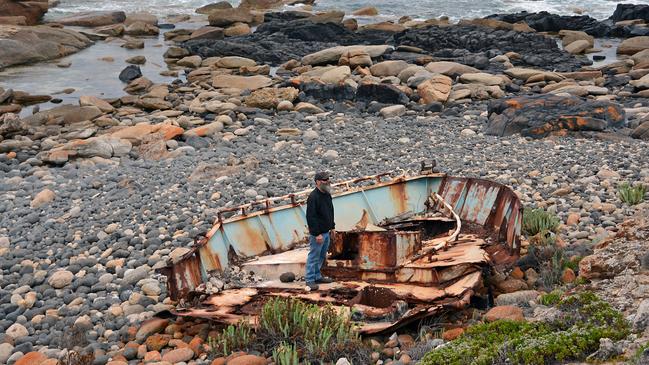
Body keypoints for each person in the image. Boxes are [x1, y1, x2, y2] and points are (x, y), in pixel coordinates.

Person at [305, 171, 335, 291]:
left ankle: (317, 276)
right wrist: (316, 234)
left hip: (326, 231)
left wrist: (332, 226)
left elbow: (330, 211)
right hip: (318, 234)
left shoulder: (327, 194)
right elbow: (310, 217)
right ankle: (309, 280)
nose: (327, 181)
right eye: (324, 180)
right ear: (317, 182)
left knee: (322, 255)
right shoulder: (313, 197)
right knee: (314, 256)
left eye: (328, 179)